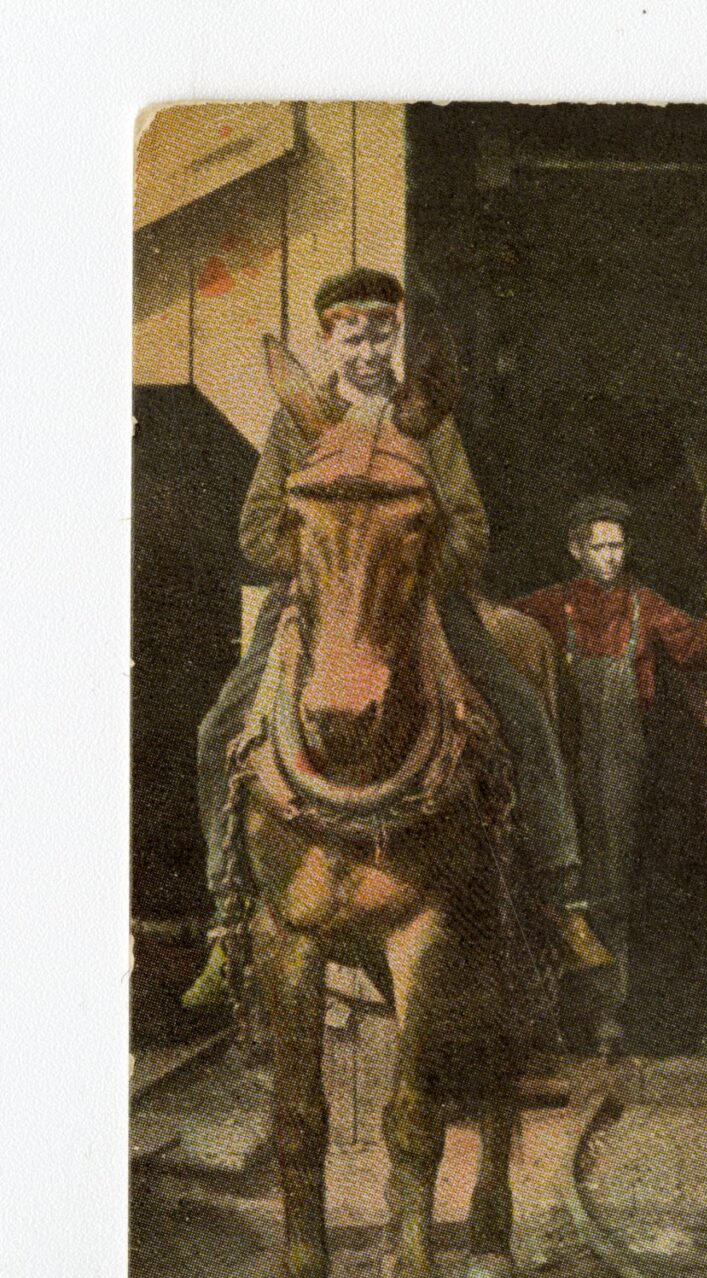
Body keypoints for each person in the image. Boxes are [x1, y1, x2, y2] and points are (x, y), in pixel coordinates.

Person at [187, 268, 604, 1008]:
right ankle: (226, 919)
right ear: (331, 339)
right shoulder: (299, 422)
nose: (369, 348)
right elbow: (255, 530)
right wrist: (329, 560)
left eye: (382, 332)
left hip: (419, 600)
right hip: (313, 602)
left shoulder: (427, 422)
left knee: (520, 708)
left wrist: (404, 564)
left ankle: (562, 897)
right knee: (220, 723)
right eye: (353, 333)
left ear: (396, 337)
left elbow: (470, 527)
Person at [514, 495, 707, 1052]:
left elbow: (698, 648)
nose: (610, 557)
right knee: (557, 877)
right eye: (598, 547)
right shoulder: (551, 607)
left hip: (622, 763)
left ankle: (608, 1014)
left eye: (617, 545)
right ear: (576, 549)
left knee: (614, 882)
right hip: (562, 762)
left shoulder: (644, 606)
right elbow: (498, 628)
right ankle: (555, 1014)